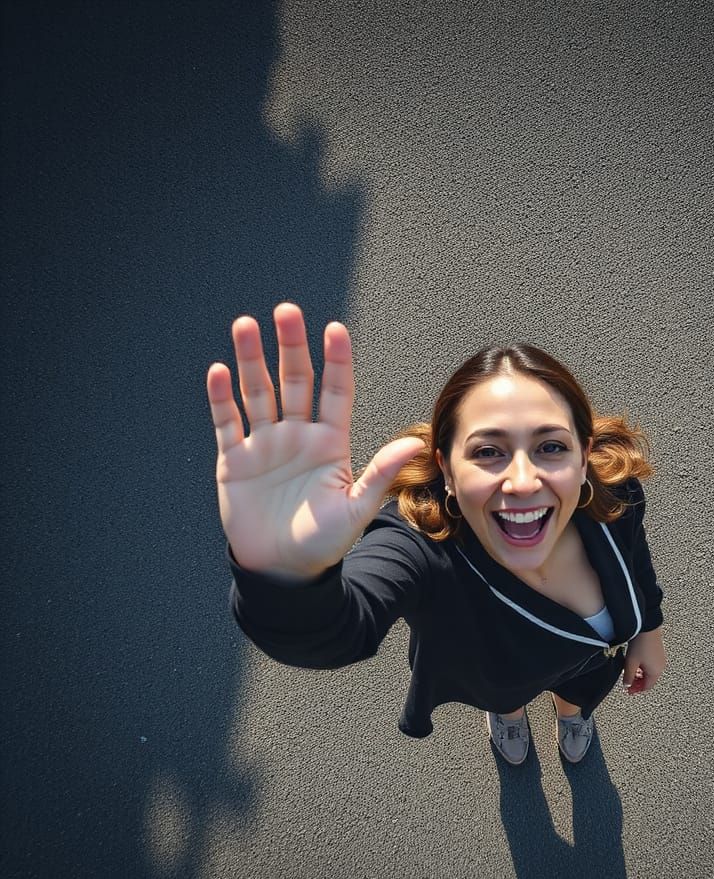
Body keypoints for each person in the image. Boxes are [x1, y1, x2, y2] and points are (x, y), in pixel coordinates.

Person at [207, 303, 667, 765]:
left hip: (587, 662)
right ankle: (508, 715)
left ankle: (572, 712)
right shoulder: (419, 544)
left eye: (551, 446)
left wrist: (648, 628)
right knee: (506, 694)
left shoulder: (614, 494)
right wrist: (287, 575)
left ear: (583, 457)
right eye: (488, 452)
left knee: (579, 688)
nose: (523, 481)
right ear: (446, 469)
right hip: (495, 681)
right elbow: (339, 629)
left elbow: (636, 561)